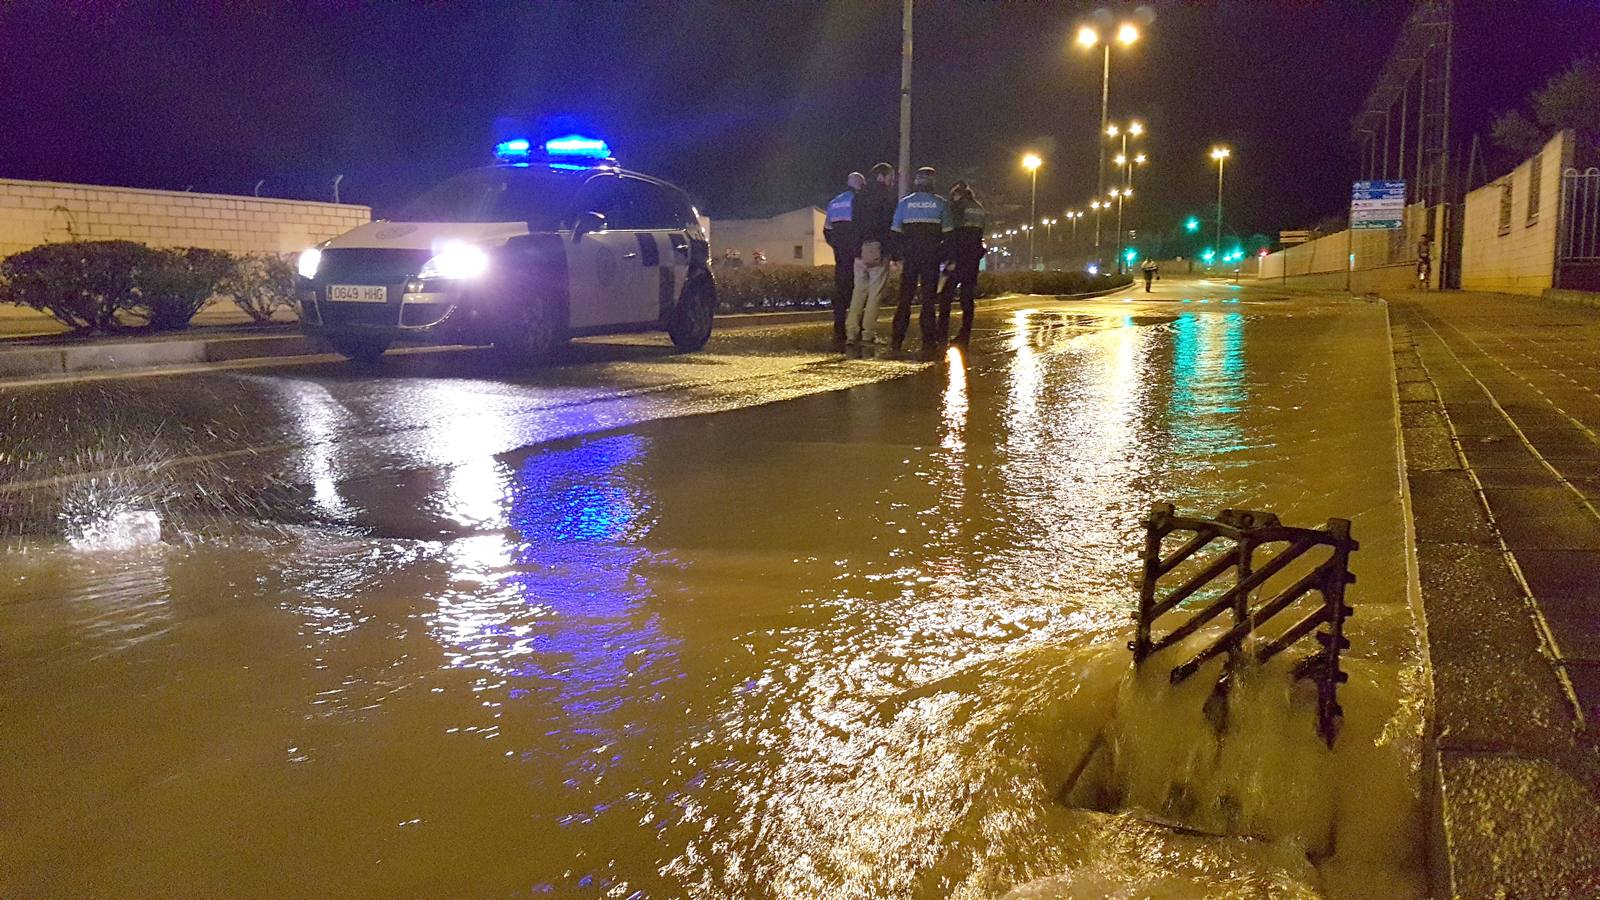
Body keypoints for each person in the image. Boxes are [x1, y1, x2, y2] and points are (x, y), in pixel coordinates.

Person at [890, 166, 952, 356]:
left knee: (905, 299)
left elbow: (894, 233)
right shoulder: (941, 204)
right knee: (928, 301)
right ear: (932, 182)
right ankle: (928, 342)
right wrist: (942, 256)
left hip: (910, 258)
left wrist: (897, 257)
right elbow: (949, 236)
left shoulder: (904, 203)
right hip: (931, 258)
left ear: (916, 182)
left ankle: (896, 341)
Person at [845, 162, 897, 351]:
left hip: (859, 251)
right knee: (875, 293)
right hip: (878, 250)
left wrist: (856, 248)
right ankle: (868, 333)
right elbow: (889, 227)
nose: (892, 181)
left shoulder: (858, 197)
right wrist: (892, 253)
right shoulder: (888, 198)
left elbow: (854, 224)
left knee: (858, 291)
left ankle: (851, 332)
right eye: (890, 177)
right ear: (882, 176)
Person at [938, 180, 986, 345]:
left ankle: (941, 334)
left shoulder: (958, 207)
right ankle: (965, 333)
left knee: (946, 294)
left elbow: (953, 233)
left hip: (959, 257)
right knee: (967, 296)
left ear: (957, 194)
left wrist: (948, 257)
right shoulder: (979, 208)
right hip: (973, 258)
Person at [823, 172, 865, 347]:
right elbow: (864, 225)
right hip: (857, 252)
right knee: (858, 290)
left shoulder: (834, 202)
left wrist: (836, 246)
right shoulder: (859, 201)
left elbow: (827, 230)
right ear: (860, 184)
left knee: (840, 290)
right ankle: (856, 329)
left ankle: (838, 328)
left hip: (840, 253)